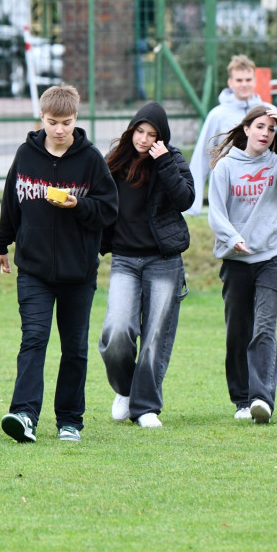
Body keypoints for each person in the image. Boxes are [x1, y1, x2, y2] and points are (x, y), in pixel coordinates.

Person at [0, 85, 118, 443]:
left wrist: (78, 206)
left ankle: (69, 421)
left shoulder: (91, 159)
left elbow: (109, 210)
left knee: (75, 347)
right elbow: (10, 201)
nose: (59, 129)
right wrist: (2, 243)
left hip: (78, 272)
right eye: (52, 122)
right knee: (33, 338)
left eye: (65, 122)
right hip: (33, 269)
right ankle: (24, 414)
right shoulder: (26, 155)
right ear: (42, 119)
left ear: (75, 119)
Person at [208, 105, 277, 424]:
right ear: (247, 129)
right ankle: (241, 400)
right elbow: (217, 212)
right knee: (238, 331)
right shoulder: (225, 167)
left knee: (264, 327)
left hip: (272, 258)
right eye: (261, 127)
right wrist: (232, 236)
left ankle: (262, 399)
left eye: (272, 129)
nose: (266, 133)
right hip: (237, 261)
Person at [98, 102, 194, 428]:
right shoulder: (114, 162)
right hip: (124, 260)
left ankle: (146, 406)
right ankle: (125, 390)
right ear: (131, 130)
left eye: (152, 134)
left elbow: (186, 200)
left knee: (156, 337)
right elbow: (97, 204)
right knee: (116, 332)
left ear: (161, 138)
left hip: (163, 261)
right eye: (140, 131)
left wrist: (164, 161)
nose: (143, 139)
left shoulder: (172, 159)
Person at [187, 55, 266, 215]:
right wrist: (194, 202)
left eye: (248, 79)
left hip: (262, 189)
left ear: (255, 81)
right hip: (229, 191)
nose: (244, 84)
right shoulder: (218, 115)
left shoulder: (267, 112)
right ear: (230, 83)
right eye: (239, 80)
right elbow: (202, 154)